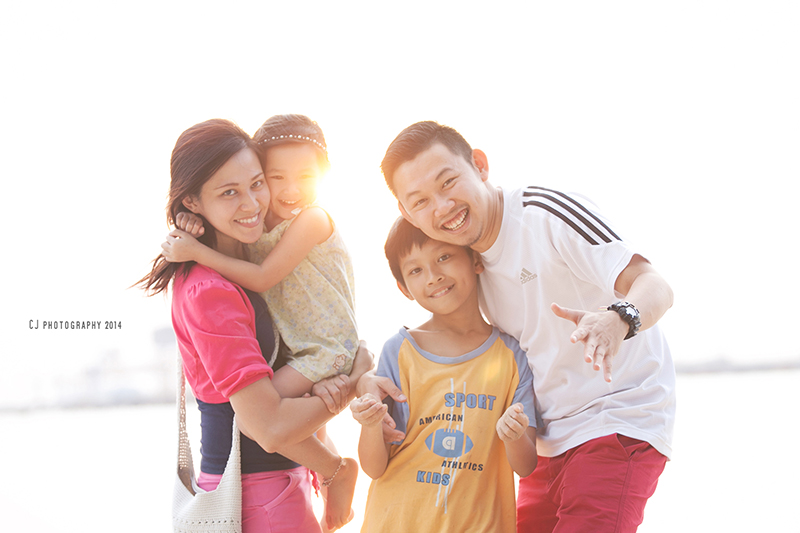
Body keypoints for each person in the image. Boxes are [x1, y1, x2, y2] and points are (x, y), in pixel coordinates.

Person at [379, 121, 676, 532]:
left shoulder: (543, 215)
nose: (443, 206)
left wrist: (616, 320)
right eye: (421, 200)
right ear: (406, 212)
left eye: (448, 182)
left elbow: (654, 284)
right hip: (546, 441)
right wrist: (362, 370)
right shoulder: (465, 261)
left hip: (615, 419)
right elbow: (446, 335)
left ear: (479, 166)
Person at [137, 118, 371, 532]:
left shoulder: (247, 261)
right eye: (229, 192)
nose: (252, 204)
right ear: (192, 201)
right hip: (257, 495)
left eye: (257, 183)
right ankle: (336, 470)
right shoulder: (211, 289)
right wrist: (349, 383)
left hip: (271, 487)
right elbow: (268, 426)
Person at [350, 217, 538, 533]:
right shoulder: (399, 351)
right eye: (415, 270)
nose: (434, 276)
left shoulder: (513, 355)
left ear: (475, 259)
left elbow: (526, 465)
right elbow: (375, 466)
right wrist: (370, 425)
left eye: (444, 257)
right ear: (404, 288)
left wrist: (514, 435)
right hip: (395, 522)